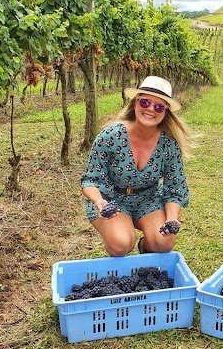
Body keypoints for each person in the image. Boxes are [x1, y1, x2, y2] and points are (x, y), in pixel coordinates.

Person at [81, 76, 191, 257]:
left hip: (148, 199)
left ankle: (145, 248)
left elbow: (175, 188)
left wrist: (171, 219)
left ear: (165, 113)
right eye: (145, 101)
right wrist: (99, 202)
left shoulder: (168, 144)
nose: (150, 109)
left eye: (158, 106)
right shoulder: (110, 136)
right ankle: (118, 246)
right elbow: (92, 179)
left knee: (164, 241)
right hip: (111, 199)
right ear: (134, 103)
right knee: (121, 243)